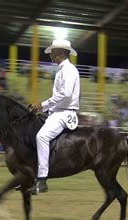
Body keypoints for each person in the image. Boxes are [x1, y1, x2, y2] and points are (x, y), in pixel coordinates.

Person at [28, 39, 80, 194]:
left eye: (53, 53)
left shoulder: (69, 70)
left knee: (41, 137)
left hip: (64, 113)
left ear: (61, 54)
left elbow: (65, 95)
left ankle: (42, 180)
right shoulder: (62, 70)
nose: (51, 55)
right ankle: (27, 174)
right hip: (56, 111)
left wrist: (42, 105)